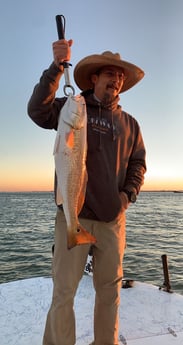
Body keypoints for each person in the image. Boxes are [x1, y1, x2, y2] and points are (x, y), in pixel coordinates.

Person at [27, 38, 146, 345]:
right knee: (63, 292)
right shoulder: (72, 107)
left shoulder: (130, 124)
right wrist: (56, 69)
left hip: (112, 222)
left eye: (120, 76)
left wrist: (125, 198)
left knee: (109, 293)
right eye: (110, 73)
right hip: (73, 215)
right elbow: (38, 111)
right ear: (95, 78)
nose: (116, 79)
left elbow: (138, 165)